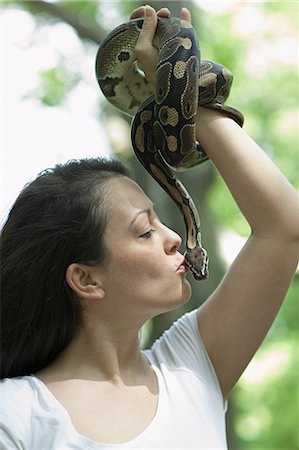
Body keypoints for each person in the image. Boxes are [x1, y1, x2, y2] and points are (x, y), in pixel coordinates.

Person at [1, 5, 298, 450]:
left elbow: (284, 226)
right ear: (84, 278)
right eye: (145, 231)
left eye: (161, 221)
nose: (175, 238)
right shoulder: (16, 413)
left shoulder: (194, 364)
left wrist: (176, 86)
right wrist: (179, 86)